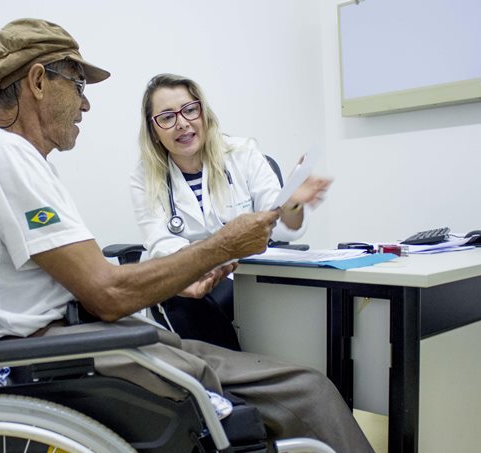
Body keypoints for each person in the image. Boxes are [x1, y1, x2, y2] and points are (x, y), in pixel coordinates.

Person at [0, 18, 388, 453]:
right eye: (79, 84)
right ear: (39, 81)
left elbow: (96, 282)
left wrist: (199, 260)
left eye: (189, 111)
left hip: (81, 340)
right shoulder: (4, 158)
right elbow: (106, 292)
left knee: (295, 383)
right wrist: (222, 246)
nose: (85, 102)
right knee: (309, 390)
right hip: (67, 355)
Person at [131, 73, 331, 350]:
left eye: (190, 110)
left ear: (203, 113)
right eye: (167, 117)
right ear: (153, 129)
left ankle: (236, 379)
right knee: (183, 299)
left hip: (243, 275)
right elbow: (160, 241)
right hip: (185, 278)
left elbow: (282, 228)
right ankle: (221, 384)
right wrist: (200, 265)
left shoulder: (243, 154)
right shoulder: (145, 176)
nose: (182, 123)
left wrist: (291, 203)